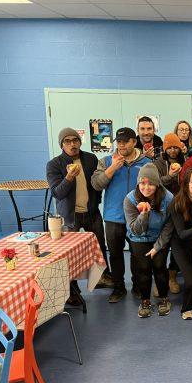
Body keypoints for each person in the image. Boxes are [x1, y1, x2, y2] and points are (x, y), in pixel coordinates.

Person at [46, 128, 112, 306]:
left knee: (100, 245)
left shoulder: (90, 159)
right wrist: (68, 178)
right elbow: (57, 194)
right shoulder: (54, 164)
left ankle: (102, 278)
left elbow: (97, 184)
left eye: (75, 140)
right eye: (67, 141)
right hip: (70, 217)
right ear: (62, 144)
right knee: (70, 254)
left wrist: (96, 203)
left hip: (91, 212)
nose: (72, 144)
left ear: (80, 142)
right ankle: (72, 292)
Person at [91, 127, 152, 303]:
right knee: (116, 254)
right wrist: (112, 169)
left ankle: (138, 286)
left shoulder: (146, 162)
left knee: (137, 253)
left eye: (126, 141)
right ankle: (118, 288)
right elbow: (96, 184)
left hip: (137, 217)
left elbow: (155, 187)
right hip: (113, 217)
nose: (122, 145)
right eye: (119, 142)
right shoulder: (106, 161)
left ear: (134, 142)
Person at [153, 167, 192, 320]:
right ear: (186, 184)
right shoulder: (176, 204)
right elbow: (181, 234)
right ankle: (187, 307)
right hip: (180, 243)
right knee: (191, 281)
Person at [123, 163, 174, 318]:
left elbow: (169, 226)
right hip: (139, 238)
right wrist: (143, 214)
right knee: (143, 269)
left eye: (151, 183)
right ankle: (145, 301)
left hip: (160, 237)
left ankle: (164, 299)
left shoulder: (168, 198)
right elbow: (135, 229)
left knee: (159, 267)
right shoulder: (130, 199)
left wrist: (157, 247)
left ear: (157, 184)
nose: (146, 187)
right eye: (142, 183)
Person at [153, 132, 184, 295]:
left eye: (176, 147)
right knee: (162, 245)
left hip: (179, 209)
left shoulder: (184, 162)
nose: (173, 151)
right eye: (170, 147)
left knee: (178, 245)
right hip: (162, 208)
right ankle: (160, 281)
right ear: (165, 149)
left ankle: (172, 277)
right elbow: (154, 184)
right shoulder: (158, 163)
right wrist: (170, 176)